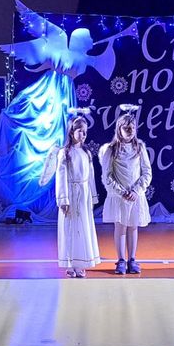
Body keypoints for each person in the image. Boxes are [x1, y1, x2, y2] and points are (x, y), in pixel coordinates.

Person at [0, 0, 138, 215]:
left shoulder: (83, 58)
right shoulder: (64, 45)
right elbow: (99, 63)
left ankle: (54, 194)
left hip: (64, 95)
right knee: (48, 128)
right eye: (88, 39)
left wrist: (112, 42)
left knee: (61, 135)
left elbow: (104, 66)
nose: (91, 41)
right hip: (51, 91)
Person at [99, 111, 152, 275]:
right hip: (119, 197)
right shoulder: (111, 150)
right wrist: (121, 192)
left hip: (135, 196)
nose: (130, 131)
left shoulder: (139, 147)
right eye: (126, 128)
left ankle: (132, 259)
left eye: (133, 128)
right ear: (119, 129)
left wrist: (136, 190)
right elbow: (106, 176)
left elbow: (147, 172)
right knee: (120, 227)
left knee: (133, 226)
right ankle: (121, 260)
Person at [55, 115, 100, 278]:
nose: (83, 135)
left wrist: (92, 196)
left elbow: (91, 176)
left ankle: (80, 263)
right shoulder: (65, 153)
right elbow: (61, 177)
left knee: (83, 228)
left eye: (85, 132)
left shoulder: (86, 153)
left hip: (84, 194)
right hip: (71, 193)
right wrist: (63, 199)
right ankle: (70, 263)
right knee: (70, 228)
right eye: (80, 131)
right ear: (71, 132)